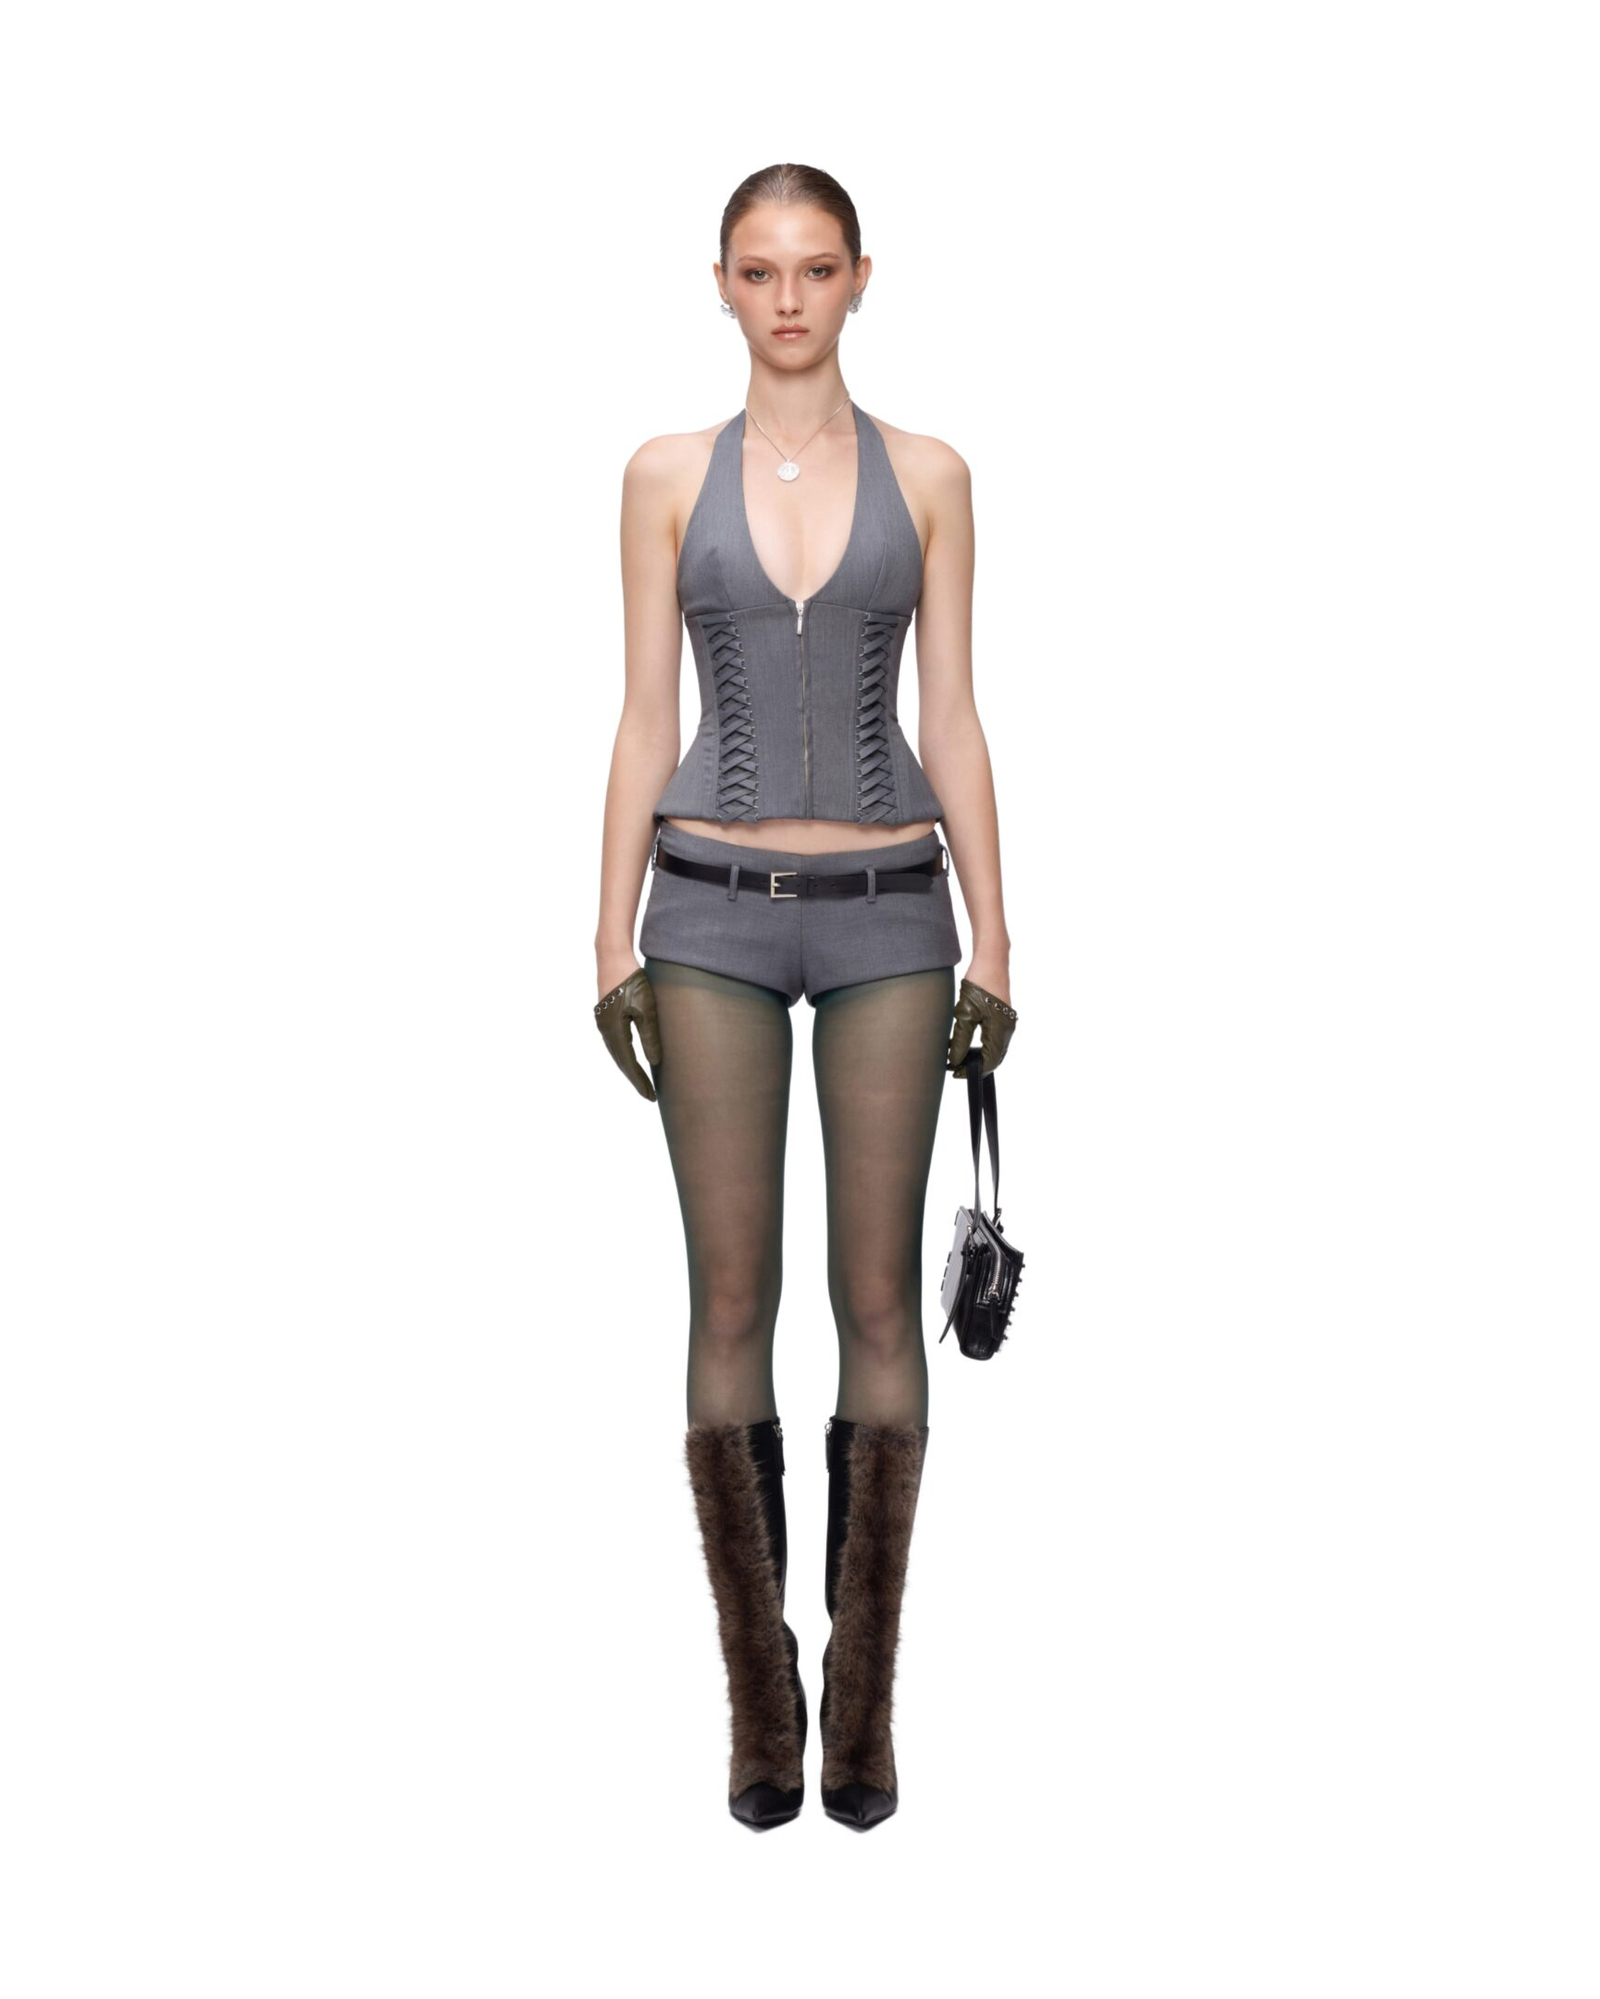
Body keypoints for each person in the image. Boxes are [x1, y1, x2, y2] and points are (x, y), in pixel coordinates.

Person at [592, 163, 1019, 1832]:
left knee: (879, 1301)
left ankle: (865, 1710)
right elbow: (643, 713)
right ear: (721, 282)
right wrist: (606, 939)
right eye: (760, 270)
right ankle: (761, 1706)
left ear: (859, 279)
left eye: (816, 269)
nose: (788, 298)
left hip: (892, 912)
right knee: (725, 1299)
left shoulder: (933, 474)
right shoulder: (659, 475)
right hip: (704, 908)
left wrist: (1000, 939)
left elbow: (955, 712)